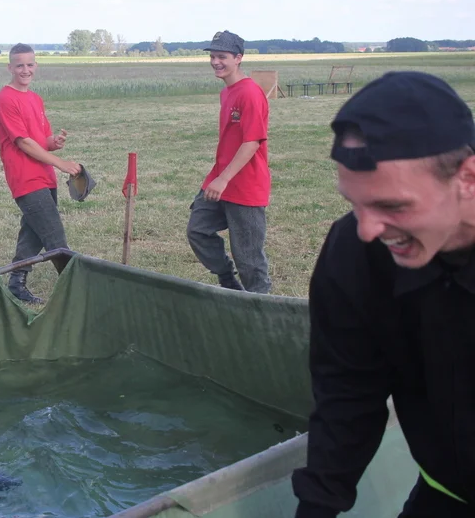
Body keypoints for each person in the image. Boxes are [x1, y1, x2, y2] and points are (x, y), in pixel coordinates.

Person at [292, 70, 475, 517]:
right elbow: (348, 392)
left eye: (393, 205)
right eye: (354, 203)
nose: (369, 229)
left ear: (467, 178)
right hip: (446, 491)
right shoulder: (356, 252)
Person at [0, 43, 82, 305]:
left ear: (36, 66)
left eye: (30, 64)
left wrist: (53, 142)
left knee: (32, 234)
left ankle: (16, 283)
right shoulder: (5, 99)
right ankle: (77, 291)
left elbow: (38, 139)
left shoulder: (35, 98)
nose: (25, 69)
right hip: (26, 178)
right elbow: (23, 143)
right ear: (9, 67)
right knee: (56, 239)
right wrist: (60, 162)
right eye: (19, 65)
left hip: (43, 176)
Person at [186, 29, 272, 293]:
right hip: (220, 180)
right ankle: (228, 281)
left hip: (244, 186)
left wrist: (223, 179)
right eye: (212, 56)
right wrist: (218, 178)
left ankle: (262, 309)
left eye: (222, 56)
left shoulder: (250, 93)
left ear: (238, 58)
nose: (215, 62)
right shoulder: (228, 92)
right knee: (198, 230)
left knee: (248, 258)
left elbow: (252, 142)